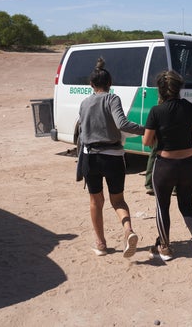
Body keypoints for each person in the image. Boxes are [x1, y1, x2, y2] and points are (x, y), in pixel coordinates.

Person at [142, 70, 192, 268]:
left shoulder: (156, 111)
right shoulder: (188, 107)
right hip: (189, 163)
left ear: (160, 90)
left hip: (165, 165)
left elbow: (147, 142)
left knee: (162, 206)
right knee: (187, 204)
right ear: (179, 88)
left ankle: (165, 247)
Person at [77, 57, 144, 258]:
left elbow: (82, 130)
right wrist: (144, 130)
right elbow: (122, 123)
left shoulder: (84, 102)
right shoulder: (112, 99)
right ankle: (128, 231)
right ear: (110, 84)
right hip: (112, 157)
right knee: (118, 201)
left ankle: (100, 244)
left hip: (90, 158)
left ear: (91, 85)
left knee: (95, 202)